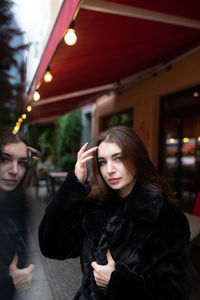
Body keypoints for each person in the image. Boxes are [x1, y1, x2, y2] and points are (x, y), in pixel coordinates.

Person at [38, 126, 191, 300]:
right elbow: (51, 247)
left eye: (118, 158)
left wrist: (118, 281)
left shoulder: (166, 216)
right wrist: (73, 186)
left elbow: (178, 292)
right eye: (102, 162)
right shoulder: (93, 207)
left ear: (137, 159)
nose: (109, 169)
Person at [0, 126, 38, 300]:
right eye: (4, 159)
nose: (14, 170)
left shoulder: (19, 200)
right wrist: (7, 280)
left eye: (21, 162)